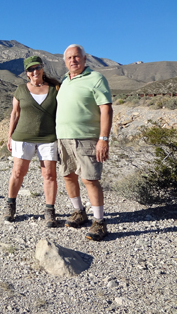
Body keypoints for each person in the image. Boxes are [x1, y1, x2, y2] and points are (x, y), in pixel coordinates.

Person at [56, 44, 113, 241]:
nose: (73, 60)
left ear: (85, 59)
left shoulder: (96, 79)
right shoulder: (64, 80)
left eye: (77, 57)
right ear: (65, 61)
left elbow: (106, 109)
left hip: (87, 138)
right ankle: (79, 211)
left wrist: (103, 139)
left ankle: (99, 222)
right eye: (69, 58)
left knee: (89, 179)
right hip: (63, 138)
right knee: (68, 176)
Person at [4, 56, 61, 227]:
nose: (35, 71)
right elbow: (15, 114)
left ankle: (50, 211)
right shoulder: (21, 89)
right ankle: (10, 205)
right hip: (23, 138)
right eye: (31, 69)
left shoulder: (54, 89)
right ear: (27, 73)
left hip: (48, 138)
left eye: (37, 67)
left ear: (43, 68)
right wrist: (9, 136)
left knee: (49, 175)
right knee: (18, 173)